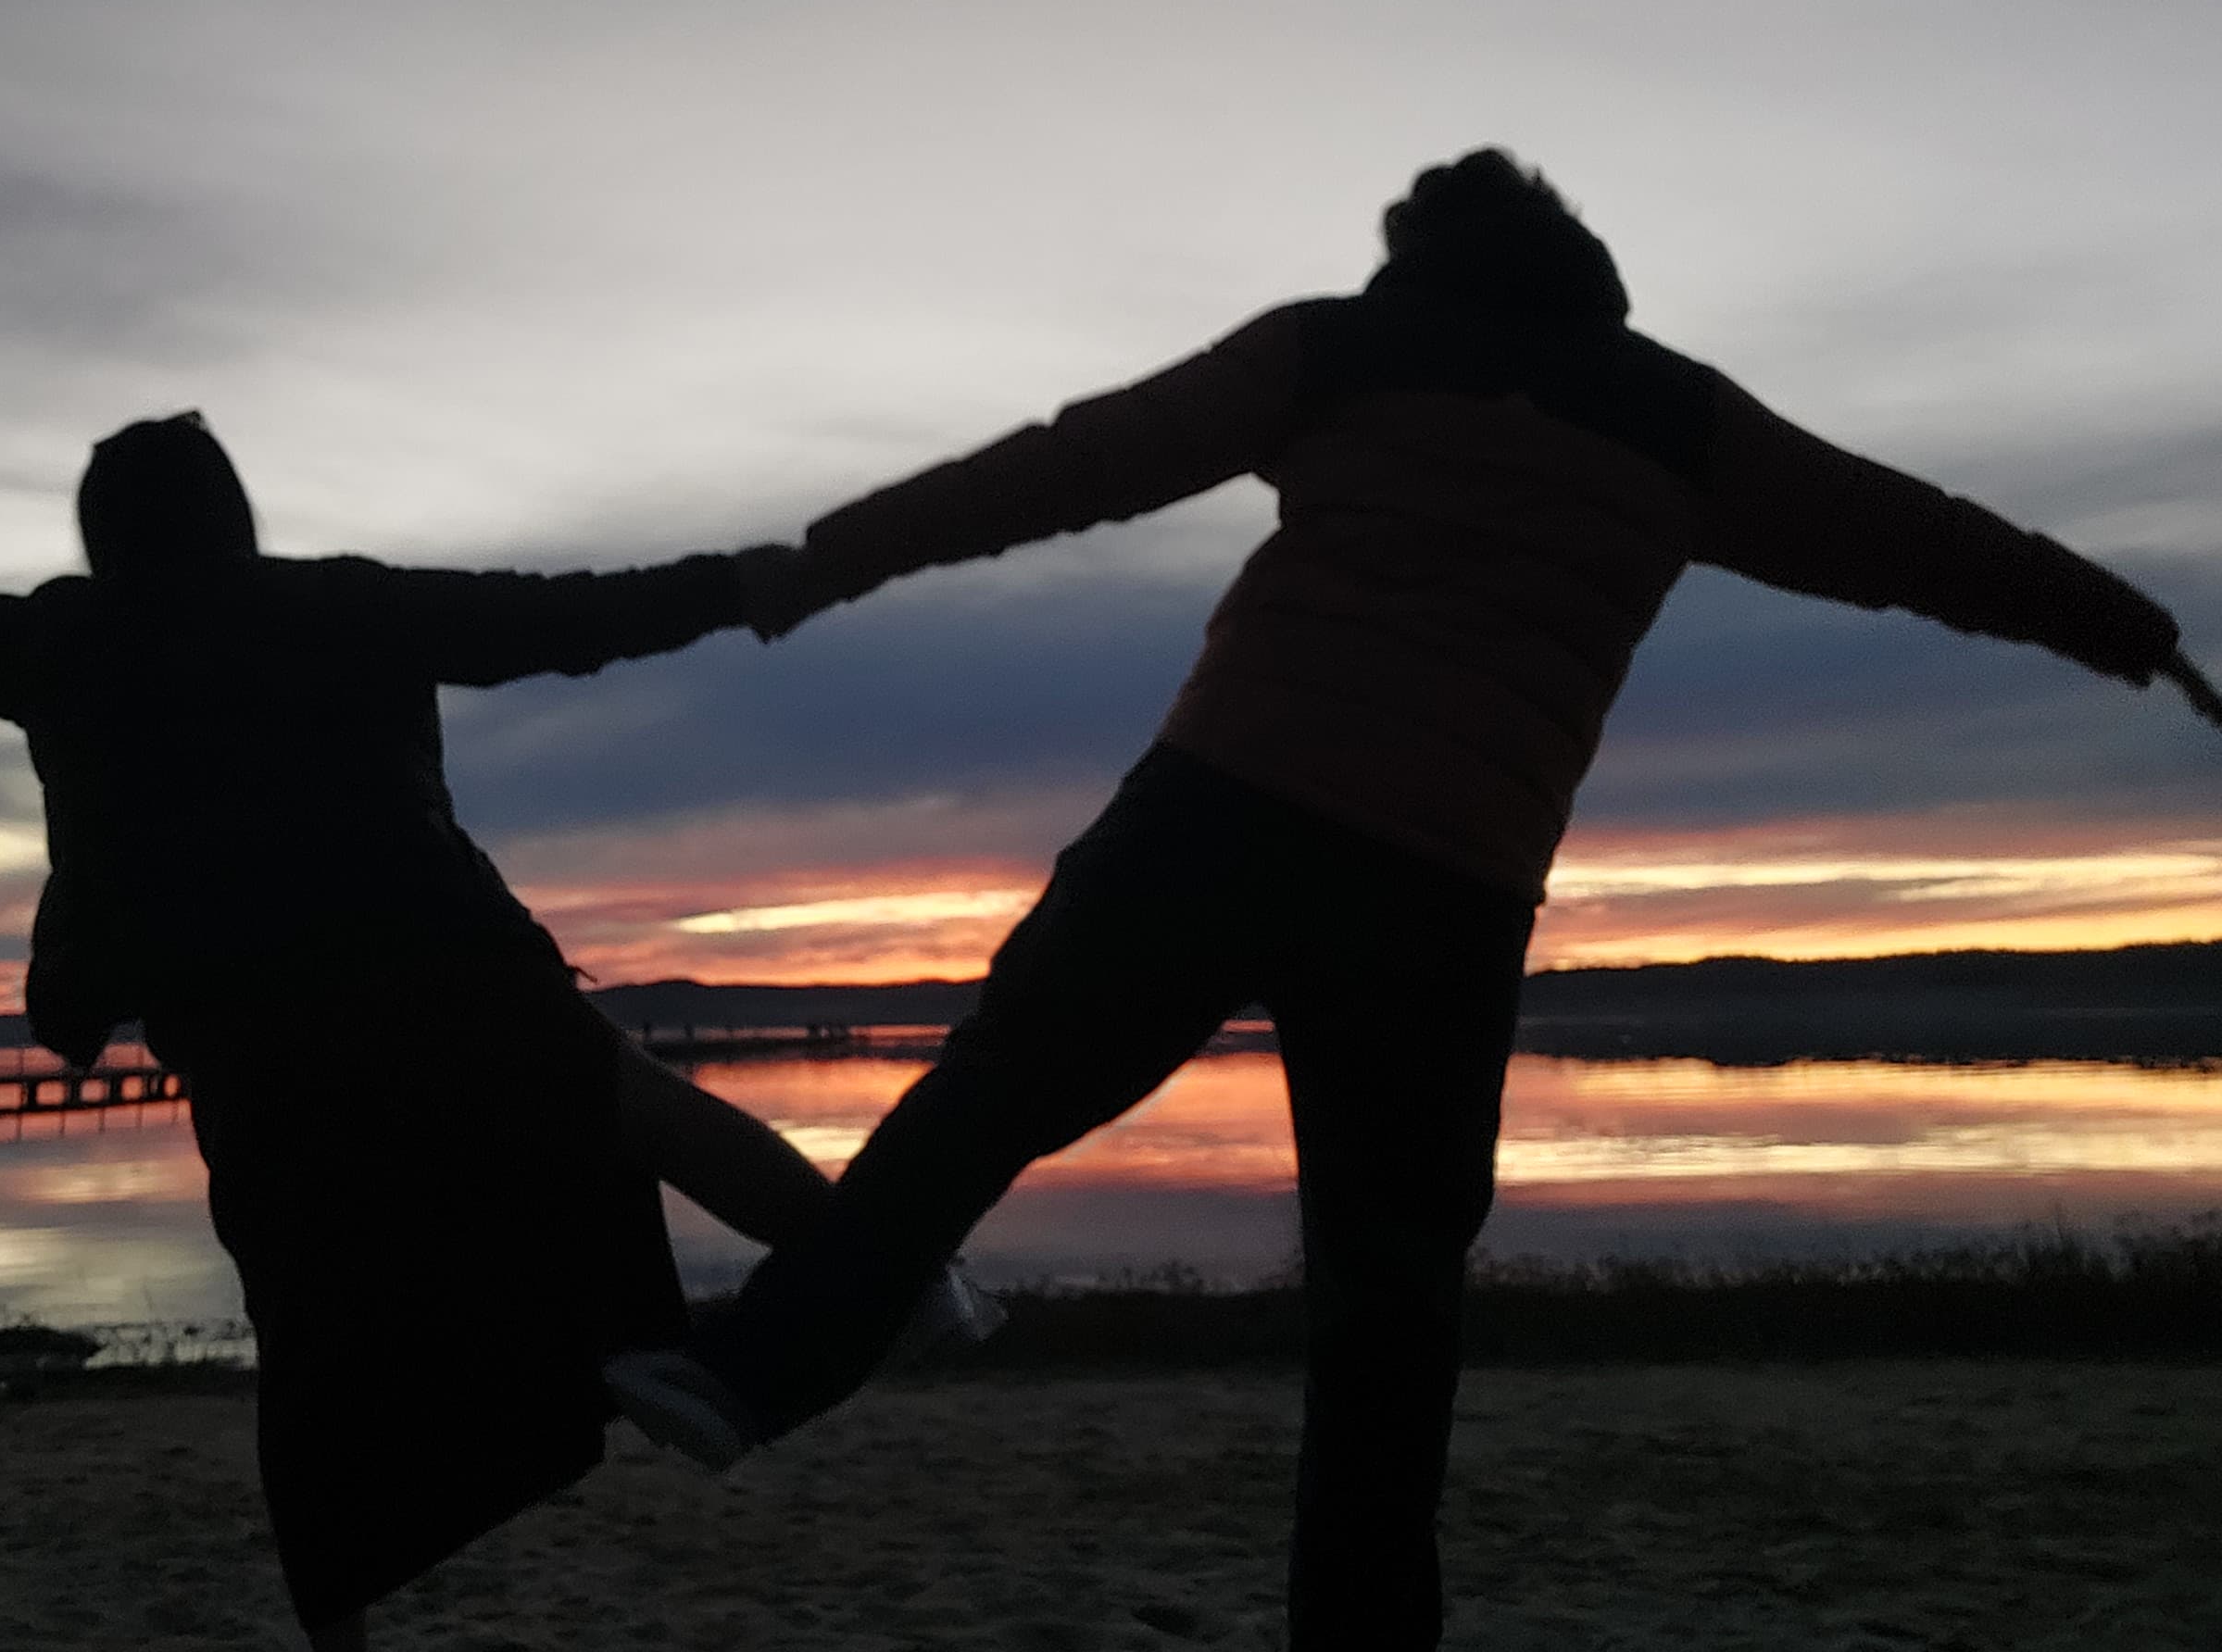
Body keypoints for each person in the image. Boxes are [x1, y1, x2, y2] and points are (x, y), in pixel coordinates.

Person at [606, 151, 2216, 1649]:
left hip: (1221, 813)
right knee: (1390, 1294)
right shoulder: (1678, 419)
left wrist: (825, 562)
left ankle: (753, 1375)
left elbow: (1074, 464)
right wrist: (2131, 632)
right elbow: (1915, 539)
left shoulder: (1342, 349)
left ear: (1418, 264)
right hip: (1446, 887)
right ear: (1586, 278)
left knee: (980, 1111)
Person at [0, 413, 976, 1652]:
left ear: (106, 533)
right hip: (435, 964)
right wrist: (741, 586)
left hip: (246, 1017)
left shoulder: (65, 636)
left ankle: (342, 1609)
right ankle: (885, 1276)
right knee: (624, 1106)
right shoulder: (332, 605)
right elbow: (563, 620)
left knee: (312, 1309)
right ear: (234, 520)